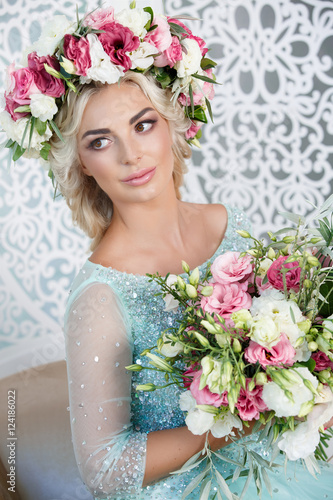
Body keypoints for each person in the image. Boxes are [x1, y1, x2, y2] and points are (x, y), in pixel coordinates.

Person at [1, 2, 332, 499]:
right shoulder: (99, 298)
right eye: (100, 141)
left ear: (172, 123)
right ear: (82, 164)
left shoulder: (227, 222)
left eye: (142, 125)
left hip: (285, 456)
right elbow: (105, 469)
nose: (131, 155)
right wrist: (235, 420)